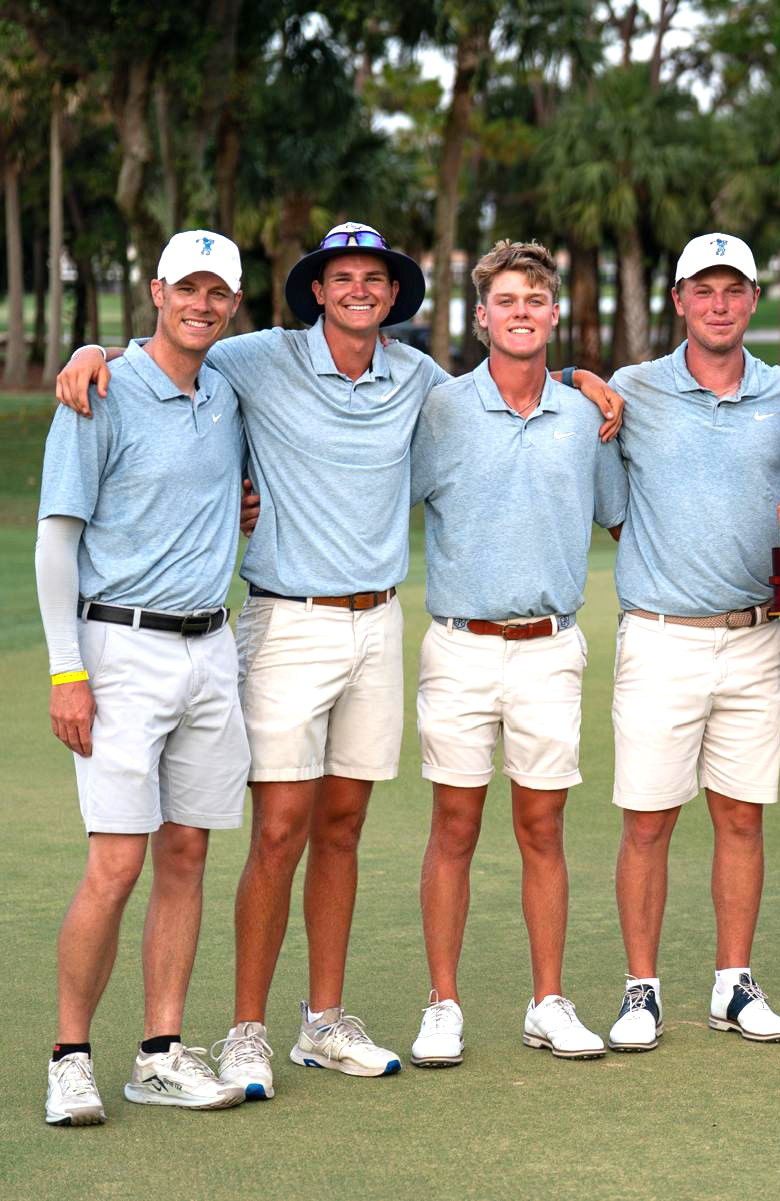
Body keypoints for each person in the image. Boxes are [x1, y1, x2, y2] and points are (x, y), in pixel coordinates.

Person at [53, 222, 622, 1097]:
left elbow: (506, 376)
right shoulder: (257, 359)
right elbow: (174, 344)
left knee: (343, 827)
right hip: (286, 624)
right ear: (315, 290)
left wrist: (584, 378)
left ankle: (321, 1021)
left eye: (376, 279)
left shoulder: (418, 380)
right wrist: (98, 348)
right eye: (342, 277)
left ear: (394, 296)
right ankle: (245, 1030)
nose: (360, 289)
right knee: (279, 829)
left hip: (377, 625)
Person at [38, 231, 251, 1124]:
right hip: (119, 648)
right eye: (187, 289)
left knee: (188, 852)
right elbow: (58, 539)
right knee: (116, 863)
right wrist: (65, 670)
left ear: (233, 304)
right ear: (157, 292)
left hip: (211, 647)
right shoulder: (103, 389)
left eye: (218, 293)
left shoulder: (232, 388)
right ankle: (69, 1056)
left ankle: (160, 1051)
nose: (201, 304)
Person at [407, 241, 626, 1066]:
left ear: (555, 313)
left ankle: (548, 1000)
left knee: (544, 826)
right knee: (454, 825)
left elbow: (616, 513)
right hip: (460, 645)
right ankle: (444, 1003)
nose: (522, 310)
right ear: (482, 315)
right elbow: (382, 489)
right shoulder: (443, 409)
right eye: (506, 300)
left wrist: (585, 382)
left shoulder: (584, 416)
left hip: (549, 646)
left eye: (536, 298)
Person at [603, 233, 780, 1051]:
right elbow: (614, 509)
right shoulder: (633, 389)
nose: (719, 304)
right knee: (648, 821)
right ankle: (642, 990)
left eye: (734, 290)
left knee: (741, 819)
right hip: (661, 637)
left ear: (754, 300)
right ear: (679, 300)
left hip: (756, 636)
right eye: (703, 290)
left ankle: (732, 983)